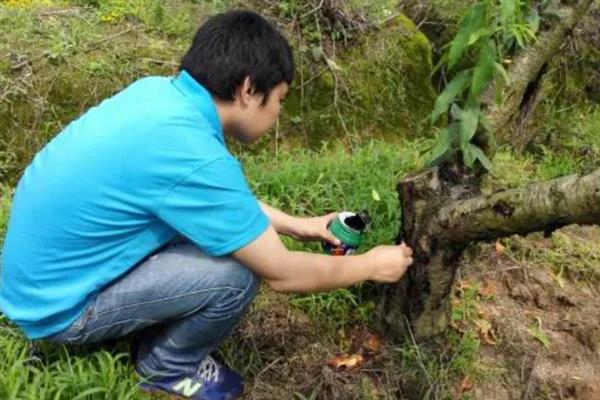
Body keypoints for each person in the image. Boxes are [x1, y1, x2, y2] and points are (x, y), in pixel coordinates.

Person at [0, 9, 413, 400]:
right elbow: (284, 273)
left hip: (36, 280)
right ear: (249, 90)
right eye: (280, 100)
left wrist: (300, 225)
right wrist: (372, 265)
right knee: (238, 271)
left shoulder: (158, 97)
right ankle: (167, 365)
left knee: (225, 236)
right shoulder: (190, 153)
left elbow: (213, 202)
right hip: (59, 309)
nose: (279, 113)